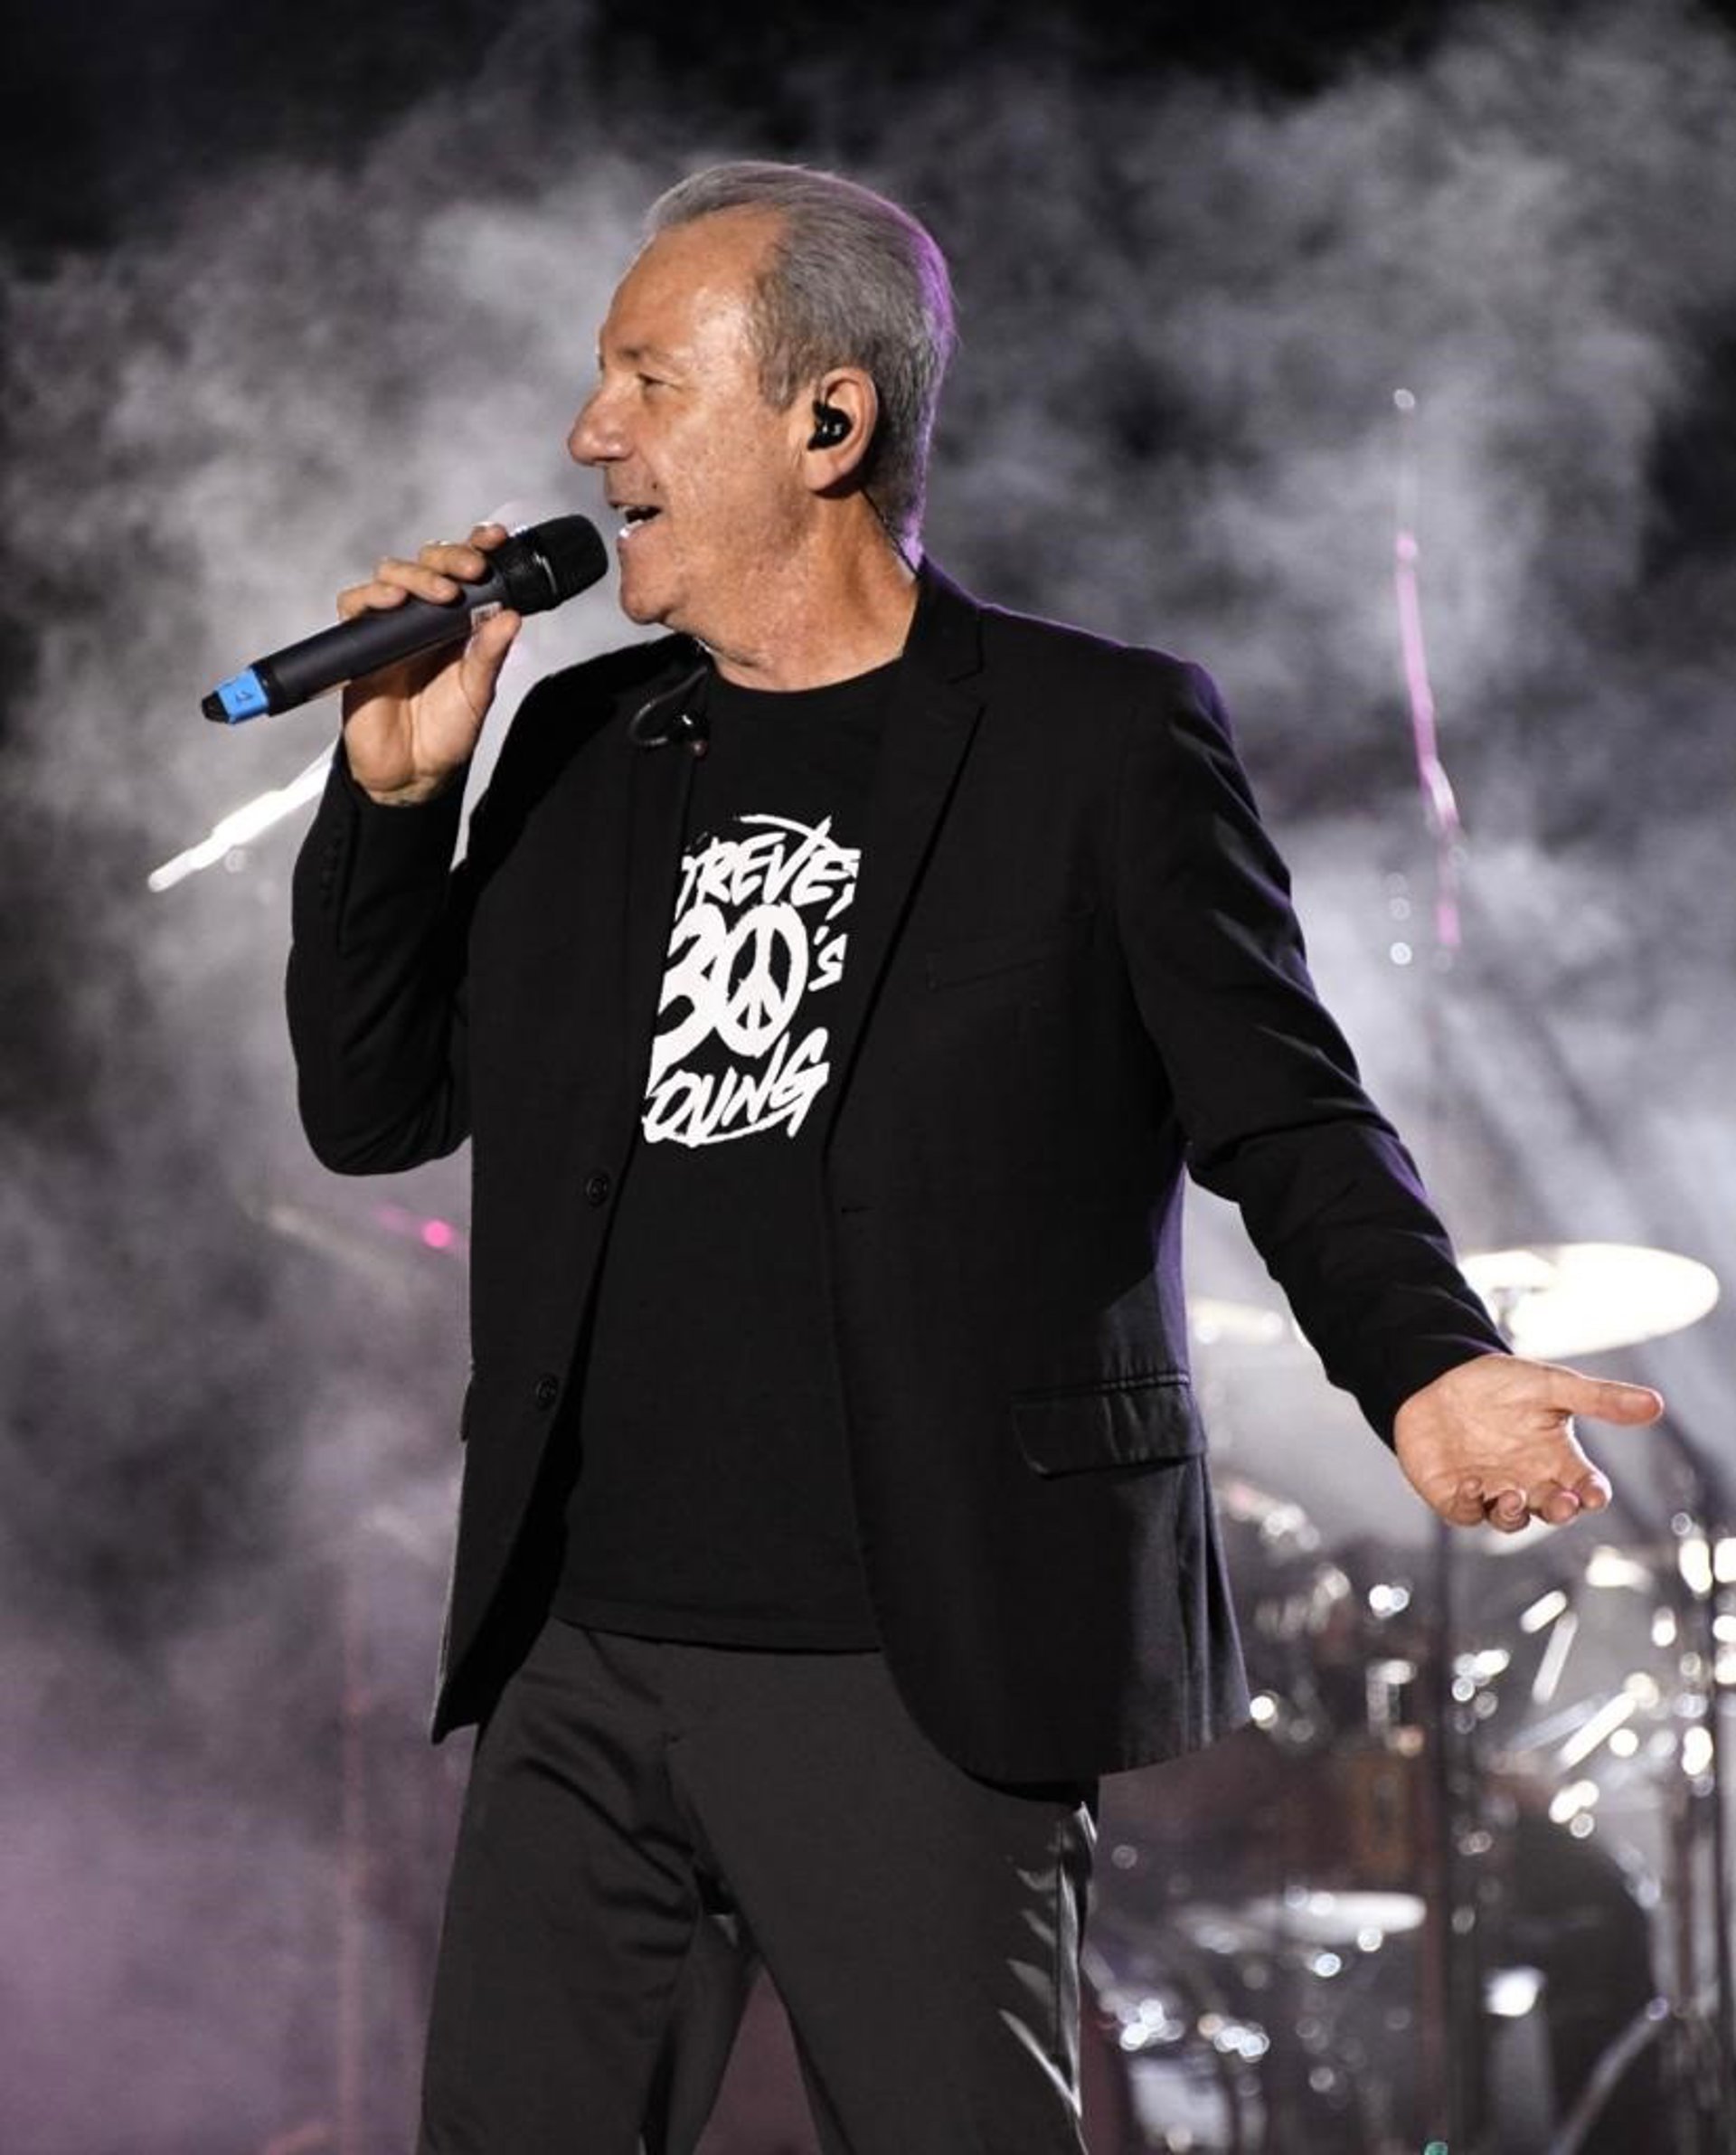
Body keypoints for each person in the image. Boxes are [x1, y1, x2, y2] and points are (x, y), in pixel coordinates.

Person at [285, 161, 1663, 2154]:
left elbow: (1283, 1108)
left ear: (827, 420)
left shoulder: (1094, 742)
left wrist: (1427, 1362)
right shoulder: (586, 738)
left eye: (651, 381)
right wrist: (396, 804)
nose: (591, 436)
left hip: (909, 1661)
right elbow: (373, 1106)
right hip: (580, 1650)